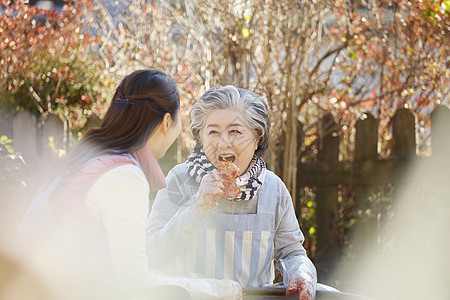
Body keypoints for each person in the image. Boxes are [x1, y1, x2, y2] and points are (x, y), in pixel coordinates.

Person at [15, 71, 241, 300]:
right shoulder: (124, 177)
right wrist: (212, 289)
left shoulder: (88, 159)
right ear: (166, 122)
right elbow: (134, 282)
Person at [146, 86, 318, 300]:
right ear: (201, 137)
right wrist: (196, 207)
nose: (222, 142)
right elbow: (151, 256)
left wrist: (301, 274)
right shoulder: (179, 180)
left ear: (256, 138)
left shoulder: (273, 188)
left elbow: (292, 252)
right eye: (213, 132)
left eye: (235, 131)